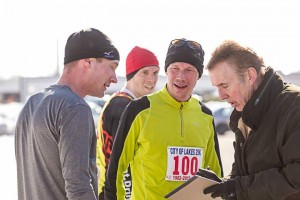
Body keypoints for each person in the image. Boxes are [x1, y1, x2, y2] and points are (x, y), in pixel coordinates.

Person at [104, 38, 223, 200]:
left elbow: (216, 175)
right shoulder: (139, 110)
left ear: (198, 76)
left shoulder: (205, 115)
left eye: (189, 70)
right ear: (166, 71)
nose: (181, 76)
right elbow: (116, 170)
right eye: (175, 68)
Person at [15, 28, 120, 200]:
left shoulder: (31, 104)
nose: (115, 78)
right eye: (111, 67)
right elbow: (78, 188)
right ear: (88, 62)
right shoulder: (74, 107)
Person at [203, 40, 300, 200]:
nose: (221, 96)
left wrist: (238, 188)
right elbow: (243, 173)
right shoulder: (243, 113)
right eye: (216, 87)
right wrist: (222, 184)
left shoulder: (294, 106)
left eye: (225, 85)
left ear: (250, 76)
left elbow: (296, 177)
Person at [96, 46, 160, 199]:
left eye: (155, 73)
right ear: (131, 74)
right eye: (145, 72)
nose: (151, 79)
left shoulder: (124, 102)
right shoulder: (122, 106)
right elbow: (122, 165)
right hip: (113, 193)